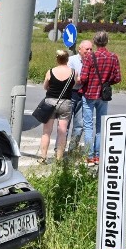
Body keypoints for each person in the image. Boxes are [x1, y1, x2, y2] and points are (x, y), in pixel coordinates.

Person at [79, 30, 121, 164]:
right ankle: (98, 155)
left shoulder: (90, 57)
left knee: (88, 125)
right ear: (107, 41)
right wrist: (106, 83)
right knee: (101, 126)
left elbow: (84, 77)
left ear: (95, 42)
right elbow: (117, 78)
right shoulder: (113, 57)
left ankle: (89, 156)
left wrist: (90, 81)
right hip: (103, 95)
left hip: (90, 94)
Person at [37, 49, 76, 163]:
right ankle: (59, 158)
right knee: (62, 132)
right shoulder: (73, 72)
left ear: (57, 59)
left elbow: (45, 87)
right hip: (66, 103)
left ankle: (43, 157)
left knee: (46, 132)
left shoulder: (50, 71)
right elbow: (75, 83)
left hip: (50, 103)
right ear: (67, 60)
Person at [66, 39, 92, 154]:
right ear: (80, 49)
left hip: (84, 94)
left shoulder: (92, 61)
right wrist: (82, 80)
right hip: (71, 93)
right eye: (87, 49)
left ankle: (72, 150)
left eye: (91, 49)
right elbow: (69, 78)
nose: (89, 51)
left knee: (79, 125)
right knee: (64, 124)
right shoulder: (71, 60)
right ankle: (60, 150)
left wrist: (82, 80)